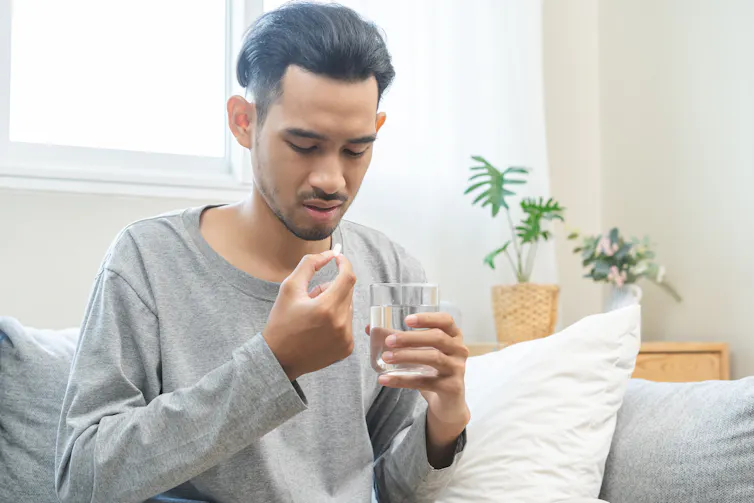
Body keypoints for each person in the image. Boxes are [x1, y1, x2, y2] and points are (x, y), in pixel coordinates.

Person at [55, 3, 469, 502]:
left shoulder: (392, 270)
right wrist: (272, 364)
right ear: (243, 121)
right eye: (303, 144)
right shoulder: (148, 260)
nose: (331, 179)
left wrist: (446, 419)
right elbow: (83, 478)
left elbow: (395, 487)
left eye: (356, 150)